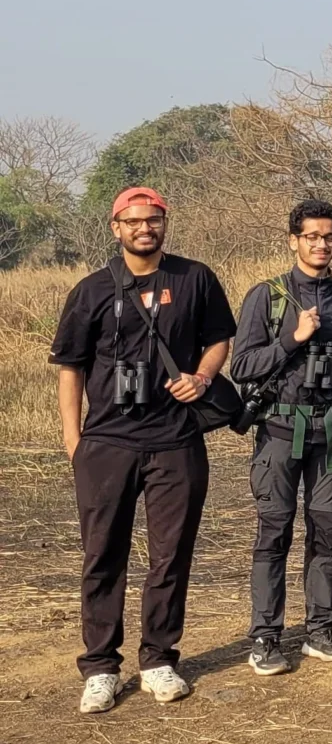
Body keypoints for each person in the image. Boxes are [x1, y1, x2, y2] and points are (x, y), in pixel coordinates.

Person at [51, 187, 236, 714]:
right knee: (102, 555)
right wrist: (73, 437)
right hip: (107, 441)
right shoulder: (91, 290)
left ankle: (158, 659)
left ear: (164, 223)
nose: (143, 228)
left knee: (170, 555)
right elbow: (70, 367)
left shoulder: (194, 278)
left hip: (176, 439)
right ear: (116, 227)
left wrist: (202, 377)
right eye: (133, 221)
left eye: (152, 220)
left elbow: (219, 338)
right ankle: (100, 668)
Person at [232, 200, 332, 675]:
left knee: (327, 531)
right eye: (312, 236)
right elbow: (241, 366)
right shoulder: (267, 296)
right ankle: (266, 637)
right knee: (273, 533)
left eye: (329, 236)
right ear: (293, 240)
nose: (321, 244)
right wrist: (291, 340)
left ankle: (322, 629)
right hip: (279, 434)